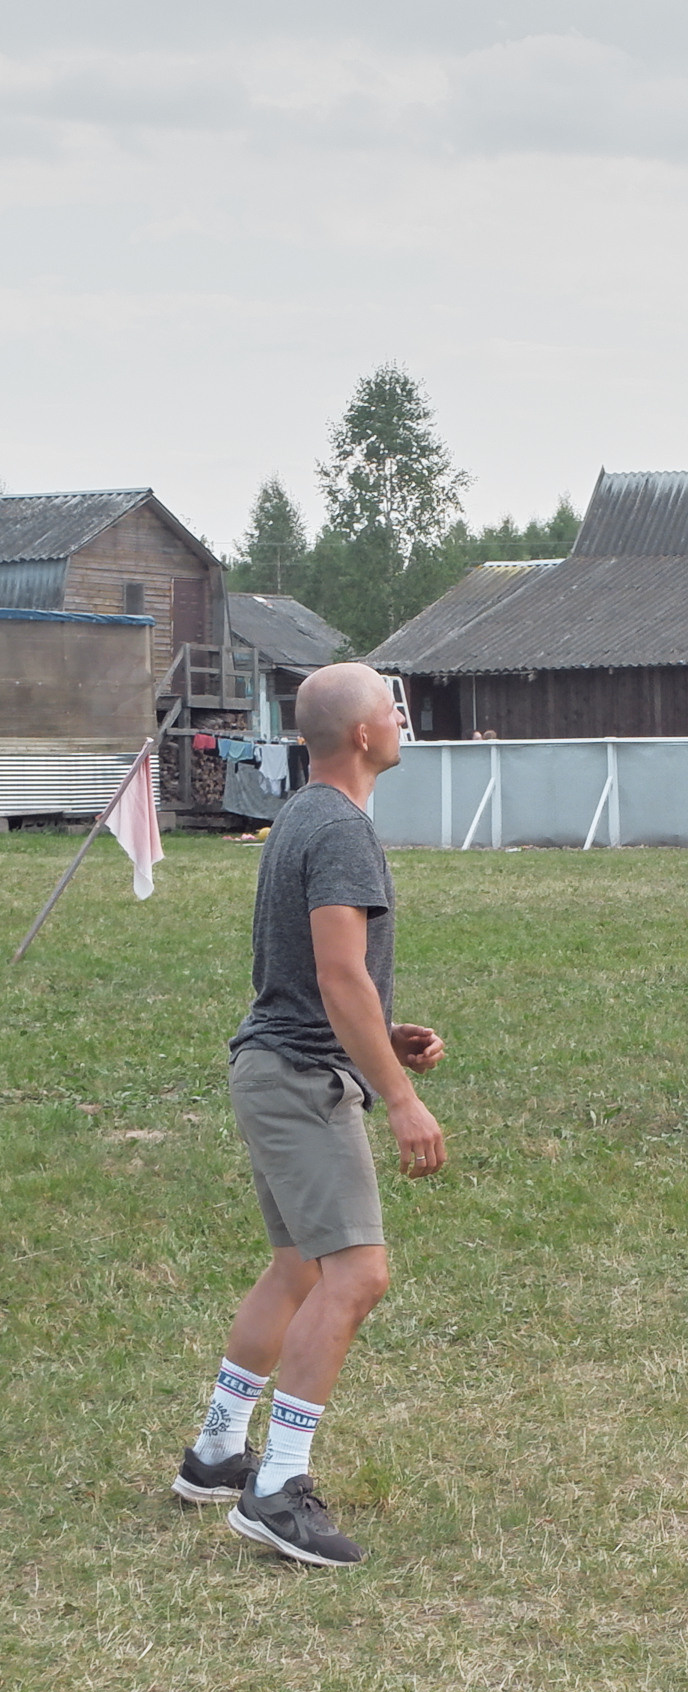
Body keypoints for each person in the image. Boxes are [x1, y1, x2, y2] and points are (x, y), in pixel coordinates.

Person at [171, 663, 448, 1568]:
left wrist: (382, 1038)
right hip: (300, 1079)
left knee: (297, 1267)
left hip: (273, 1064)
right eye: (391, 710)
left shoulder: (301, 813)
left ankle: (217, 1453)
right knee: (356, 1274)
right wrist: (400, 1100)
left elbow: (330, 979)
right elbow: (336, 976)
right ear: (364, 735)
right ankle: (277, 1490)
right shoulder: (342, 830)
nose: (400, 722)